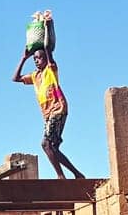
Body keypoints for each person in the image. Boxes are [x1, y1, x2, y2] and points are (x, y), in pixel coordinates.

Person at [12, 47, 86, 179]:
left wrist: (46, 29)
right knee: (53, 148)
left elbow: (48, 49)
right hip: (47, 115)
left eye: (39, 58)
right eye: (34, 59)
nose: (36, 61)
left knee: (45, 144)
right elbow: (15, 78)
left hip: (58, 109)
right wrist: (24, 58)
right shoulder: (35, 76)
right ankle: (78, 174)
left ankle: (60, 175)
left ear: (46, 59)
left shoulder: (51, 69)